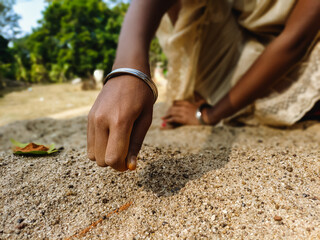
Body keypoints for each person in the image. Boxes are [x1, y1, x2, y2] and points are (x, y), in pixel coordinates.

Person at [87, 0, 320, 172]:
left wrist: (208, 114)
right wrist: (128, 68)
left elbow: (295, 42)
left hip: (299, 54)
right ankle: (203, 89)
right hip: (239, 41)